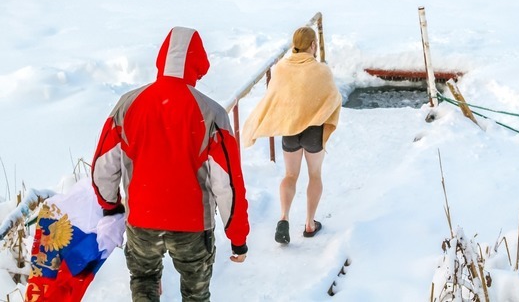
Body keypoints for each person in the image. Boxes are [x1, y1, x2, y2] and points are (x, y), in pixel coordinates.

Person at [91, 27, 249, 302]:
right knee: (195, 295)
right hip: (193, 226)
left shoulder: (128, 105)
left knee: (143, 282)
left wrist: (111, 206)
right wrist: (237, 236)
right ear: (198, 64)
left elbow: (104, 167)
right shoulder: (212, 113)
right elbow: (226, 183)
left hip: (141, 220)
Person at [242, 26, 341, 244]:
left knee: (290, 175)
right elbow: (333, 98)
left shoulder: (281, 68)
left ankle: (284, 218)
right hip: (313, 130)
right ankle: (309, 223)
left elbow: (274, 96)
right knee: (315, 175)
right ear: (313, 45)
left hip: (290, 129)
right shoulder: (321, 70)